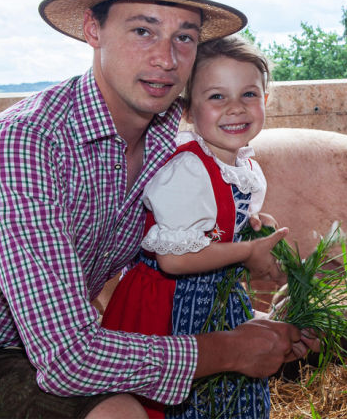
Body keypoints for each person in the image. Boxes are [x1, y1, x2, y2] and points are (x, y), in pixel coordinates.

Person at [0, 0, 316, 419]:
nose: (166, 58)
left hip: (76, 333)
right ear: (93, 30)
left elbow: (166, 260)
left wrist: (257, 314)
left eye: (184, 36)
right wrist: (232, 350)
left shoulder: (169, 141)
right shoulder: (23, 142)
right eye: (143, 30)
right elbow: (67, 359)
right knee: (119, 413)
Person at [102, 34, 281, 419]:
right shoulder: (187, 168)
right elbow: (174, 260)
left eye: (249, 94)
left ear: (266, 101)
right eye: (217, 97)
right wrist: (248, 253)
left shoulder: (245, 167)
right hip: (172, 305)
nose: (236, 108)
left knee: (234, 398)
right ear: (186, 110)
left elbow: (220, 226)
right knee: (193, 404)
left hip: (218, 296)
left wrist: (254, 229)